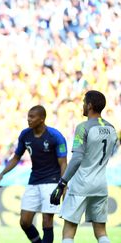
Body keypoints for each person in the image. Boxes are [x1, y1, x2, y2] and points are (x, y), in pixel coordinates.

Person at [50, 90, 118, 243]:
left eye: (83, 103)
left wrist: (62, 183)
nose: (82, 106)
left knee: (69, 230)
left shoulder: (82, 127)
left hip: (81, 184)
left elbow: (77, 158)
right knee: (101, 231)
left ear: (89, 105)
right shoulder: (112, 129)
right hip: (100, 185)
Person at [0, 105, 67, 243]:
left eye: (32, 117)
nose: (29, 119)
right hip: (34, 181)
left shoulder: (55, 136)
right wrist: (2, 173)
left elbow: (63, 162)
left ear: (42, 119)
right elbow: (16, 157)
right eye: (28, 116)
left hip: (52, 181)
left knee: (47, 221)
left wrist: (63, 185)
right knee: (24, 222)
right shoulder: (25, 134)